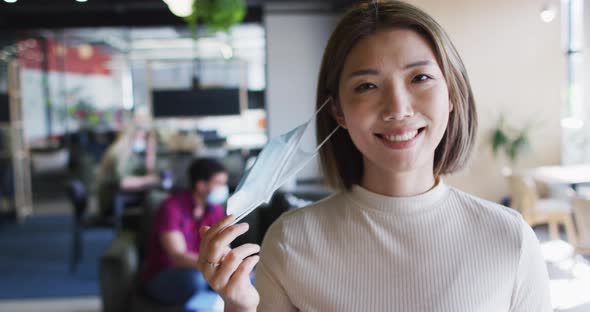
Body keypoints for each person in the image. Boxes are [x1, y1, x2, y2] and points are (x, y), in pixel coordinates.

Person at [196, 1, 552, 311]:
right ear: (338, 111)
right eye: (367, 86)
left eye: (420, 78)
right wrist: (239, 306)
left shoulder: (509, 238)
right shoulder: (291, 240)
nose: (397, 108)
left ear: (452, 94)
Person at [142, 158, 228, 304]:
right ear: (201, 185)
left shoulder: (216, 210)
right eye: (219, 183)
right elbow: (178, 256)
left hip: (204, 270)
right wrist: (216, 266)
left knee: (243, 277)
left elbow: (223, 247)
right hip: (165, 274)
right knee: (197, 280)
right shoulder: (171, 208)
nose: (224, 188)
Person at [96, 125, 160, 219]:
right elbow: (123, 183)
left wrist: (150, 153)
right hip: (111, 202)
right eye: (142, 137)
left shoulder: (128, 152)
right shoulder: (120, 152)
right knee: (153, 200)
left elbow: (147, 170)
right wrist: (148, 180)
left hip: (118, 198)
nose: (144, 141)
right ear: (132, 136)